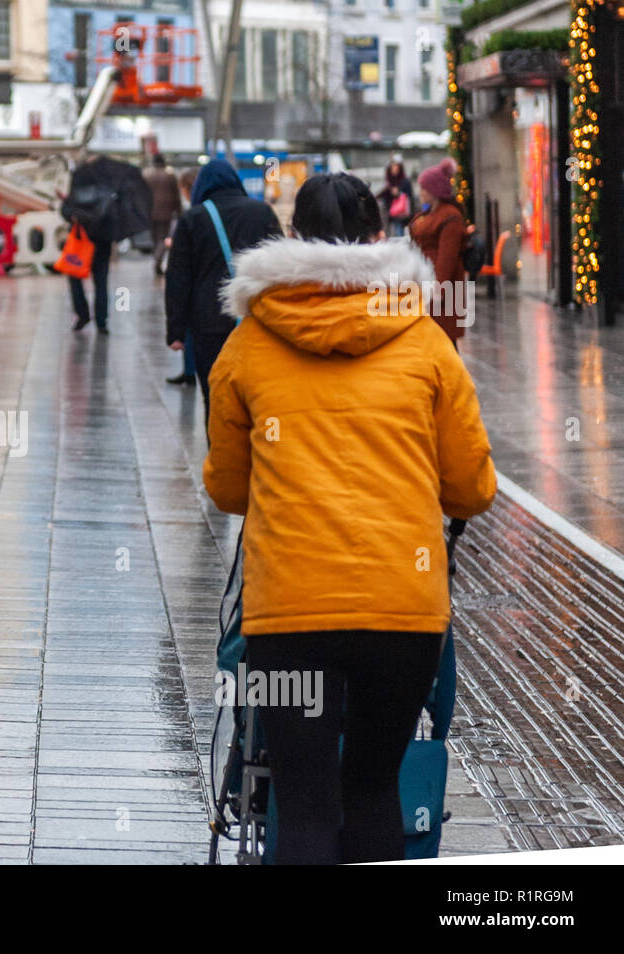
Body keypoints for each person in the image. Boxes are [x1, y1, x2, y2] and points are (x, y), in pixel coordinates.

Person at [203, 172, 496, 864]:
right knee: (371, 791)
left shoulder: (247, 344)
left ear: (294, 236)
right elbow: (472, 488)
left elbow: (226, 487)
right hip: (403, 612)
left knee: (302, 801)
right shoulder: (426, 344)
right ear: (376, 236)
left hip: (289, 615)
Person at [164, 159, 281, 423]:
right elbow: (279, 267)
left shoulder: (192, 219)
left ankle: (220, 456)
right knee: (255, 395)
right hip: (256, 319)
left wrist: (176, 331)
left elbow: (178, 278)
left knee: (214, 395)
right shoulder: (262, 213)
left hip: (209, 322)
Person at [410, 158, 469, 344]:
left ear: (434, 190)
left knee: (444, 340)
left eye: (424, 188)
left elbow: (447, 257)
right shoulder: (429, 214)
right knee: (434, 340)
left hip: (443, 288)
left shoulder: (450, 216)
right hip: (428, 281)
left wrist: (439, 290)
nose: (420, 193)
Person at [61, 154, 118, 333]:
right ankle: (102, 322)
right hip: (103, 240)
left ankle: (82, 315)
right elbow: (114, 215)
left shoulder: (78, 187)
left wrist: (68, 208)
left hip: (80, 240)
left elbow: (66, 211)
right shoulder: (108, 188)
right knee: (101, 281)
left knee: (74, 277)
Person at [166, 168, 199, 386]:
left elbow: (177, 272)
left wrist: (173, 330)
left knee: (191, 328)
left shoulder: (193, 217)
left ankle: (190, 371)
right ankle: (189, 370)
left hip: (196, 286)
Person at [143, 153, 183, 277]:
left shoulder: (146, 175)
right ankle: (157, 260)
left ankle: (157, 260)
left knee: (155, 238)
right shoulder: (169, 176)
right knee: (162, 238)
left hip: (149, 212)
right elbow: (176, 196)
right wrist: (180, 212)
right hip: (166, 211)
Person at [377, 155, 413, 237]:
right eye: (392, 166)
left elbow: (409, 196)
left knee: (399, 231)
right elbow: (383, 194)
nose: (394, 168)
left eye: (396, 166)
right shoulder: (389, 181)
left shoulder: (405, 181)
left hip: (400, 213)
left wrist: (399, 193)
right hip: (389, 212)